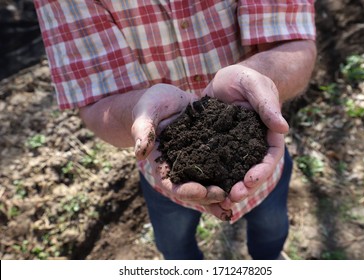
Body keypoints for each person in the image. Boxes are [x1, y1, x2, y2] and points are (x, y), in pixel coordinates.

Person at [34, 0, 317, 259]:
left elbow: (294, 41)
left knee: (271, 229)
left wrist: (258, 79)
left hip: (262, 163)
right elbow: (96, 98)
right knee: (174, 246)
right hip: (164, 171)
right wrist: (138, 111)